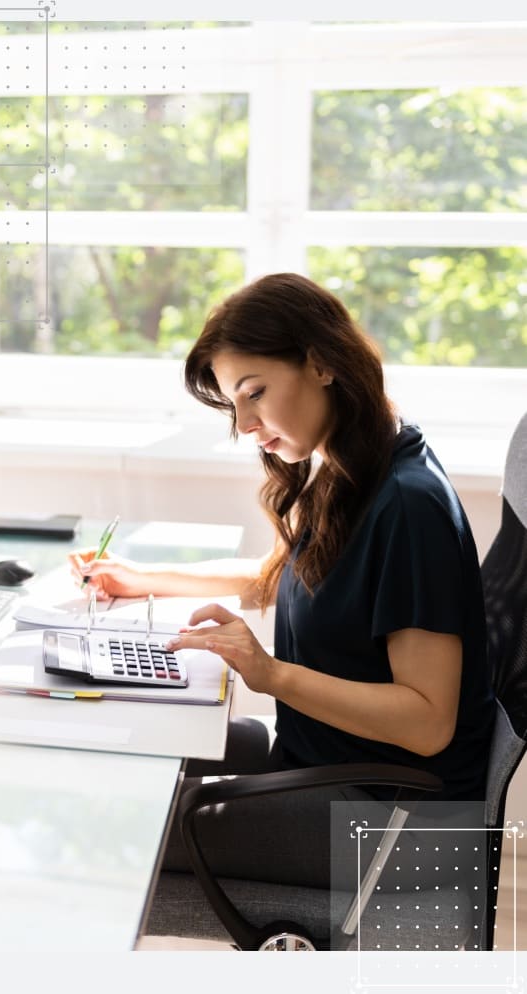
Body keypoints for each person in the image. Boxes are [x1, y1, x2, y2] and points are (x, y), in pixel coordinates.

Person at [69, 273, 495, 923]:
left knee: (110, 832)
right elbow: (290, 576)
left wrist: (269, 675)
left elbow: (426, 720)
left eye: (254, 394)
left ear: (321, 363)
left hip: (390, 822)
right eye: (233, 405)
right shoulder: (354, 461)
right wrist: (148, 579)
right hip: (329, 770)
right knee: (129, 756)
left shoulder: (407, 508)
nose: (245, 426)